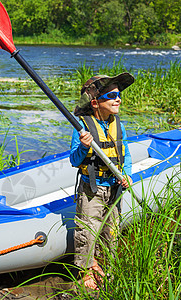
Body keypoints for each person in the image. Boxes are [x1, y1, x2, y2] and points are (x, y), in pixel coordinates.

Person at [70, 72, 134, 290]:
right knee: (87, 230)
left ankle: (104, 264)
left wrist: (127, 173)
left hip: (114, 189)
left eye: (119, 94)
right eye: (112, 95)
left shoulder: (118, 125)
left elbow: (125, 154)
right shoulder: (82, 127)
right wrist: (84, 146)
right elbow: (74, 160)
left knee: (111, 231)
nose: (119, 99)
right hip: (91, 188)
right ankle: (85, 271)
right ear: (96, 103)